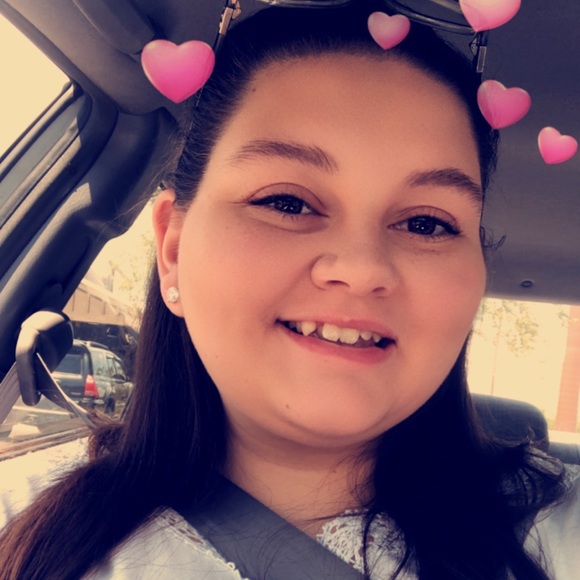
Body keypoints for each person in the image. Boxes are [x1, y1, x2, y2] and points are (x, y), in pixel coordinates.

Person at [0, 2, 578, 578]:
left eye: (426, 224)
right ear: (173, 251)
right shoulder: (22, 527)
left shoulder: (557, 532)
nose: (361, 268)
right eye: (287, 202)